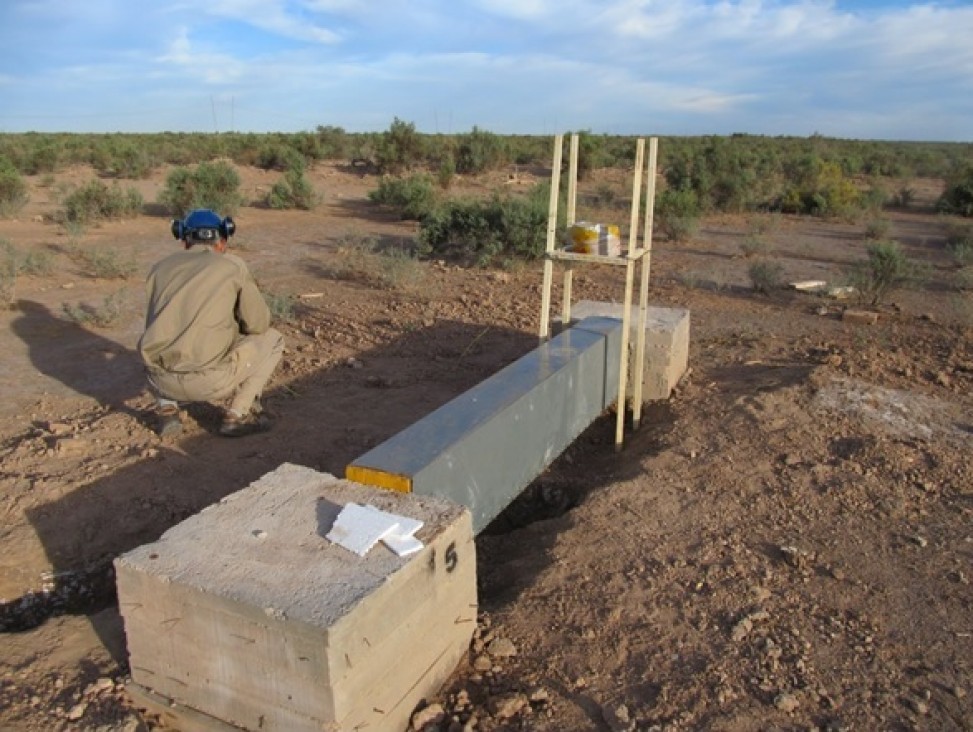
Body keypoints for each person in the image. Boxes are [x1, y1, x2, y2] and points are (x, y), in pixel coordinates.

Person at [138, 209, 284, 438]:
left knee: (159, 339)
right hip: (211, 382)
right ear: (222, 238)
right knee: (274, 339)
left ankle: (167, 408)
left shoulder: (159, 268)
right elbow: (258, 324)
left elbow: (153, 324)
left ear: (184, 238)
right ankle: (237, 415)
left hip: (158, 380)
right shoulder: (232, 266)